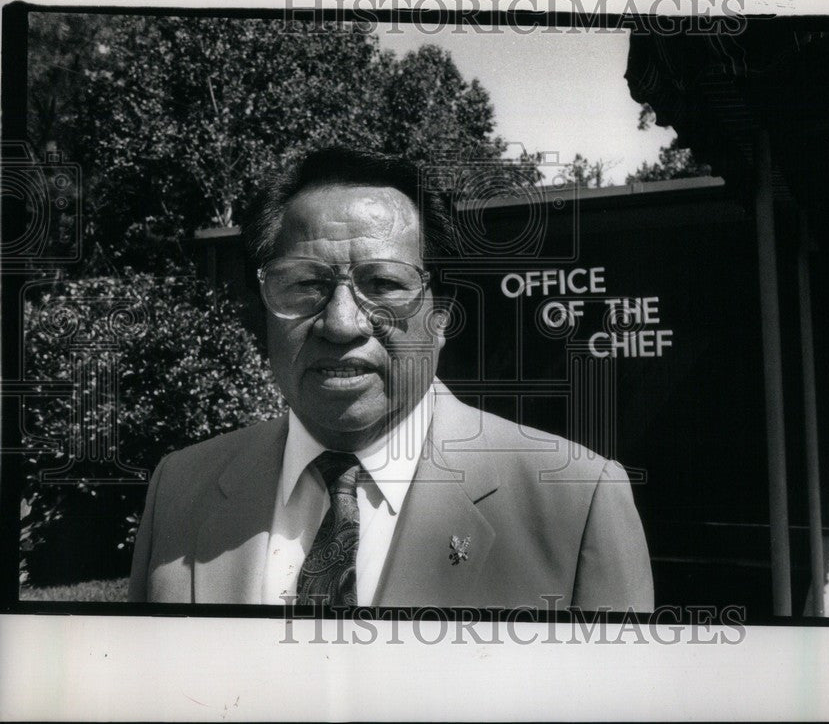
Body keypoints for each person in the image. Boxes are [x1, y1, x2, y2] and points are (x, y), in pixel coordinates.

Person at [128, 146, 654, 611]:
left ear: (442, 314)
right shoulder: (181, 487)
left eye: (382, 283)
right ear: (261, 306)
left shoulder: (576, 500)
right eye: (304, 283)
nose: (341, 322)